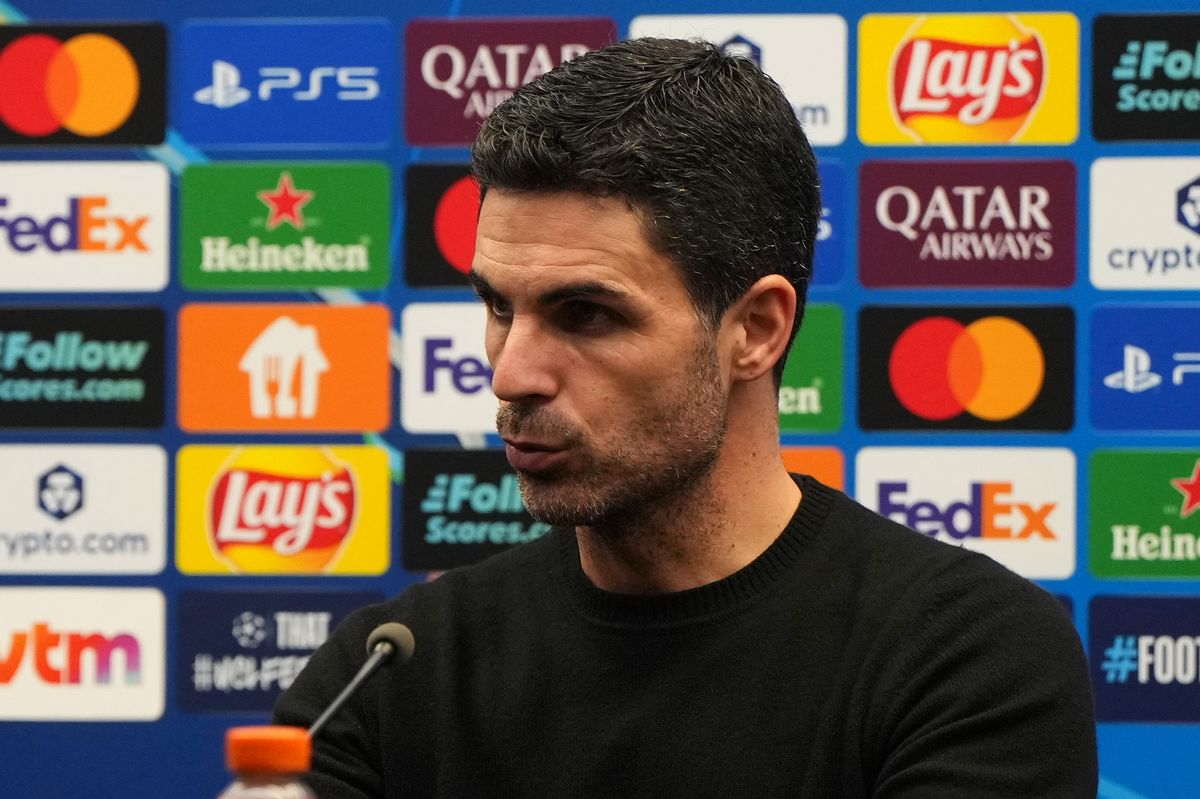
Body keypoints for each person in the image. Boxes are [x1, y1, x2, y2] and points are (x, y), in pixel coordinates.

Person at [275, 38, 1097, 797]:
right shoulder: (389, 670)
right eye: (499, 306)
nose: (511, 372)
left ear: (756, 330)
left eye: (585, 314)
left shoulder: (964, 657)